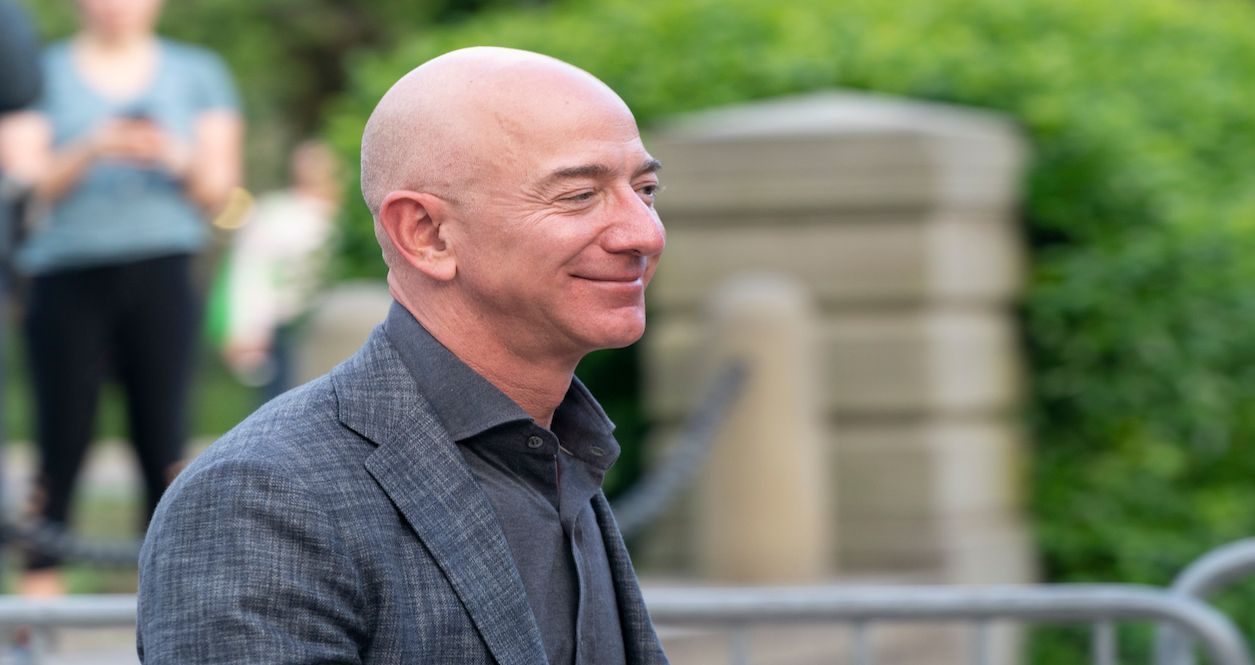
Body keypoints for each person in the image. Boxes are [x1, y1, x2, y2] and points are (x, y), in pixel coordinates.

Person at [138, 46, 668, 664]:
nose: (644, 233)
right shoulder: (262, 498)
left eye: (645, 189)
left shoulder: (556, 450)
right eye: (578, 195)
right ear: (426, 234)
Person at [0, 0, 242, 596]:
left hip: (162, 271)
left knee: (164, 441)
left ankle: (170, 601)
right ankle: (37, 610)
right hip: (64, 274)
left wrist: (170, 154)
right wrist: (94, 146)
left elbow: (220, 192)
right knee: (60, 442)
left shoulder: (198, 72)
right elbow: (24, 184)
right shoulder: (38, 73)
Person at [219, 139, 342, 400]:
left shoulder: (346, 216)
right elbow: (251, 271)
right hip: (286, 327)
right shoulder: (277, 213)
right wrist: (246, 329)